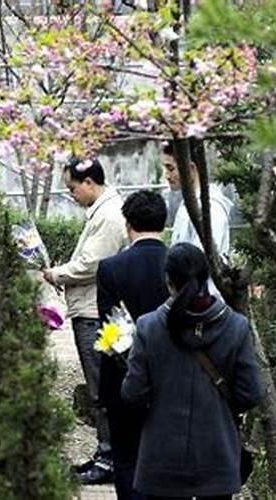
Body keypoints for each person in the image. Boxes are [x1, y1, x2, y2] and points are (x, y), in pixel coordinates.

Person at [121, 243, 263, 500]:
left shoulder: (149, 326)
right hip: (217, 455)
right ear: (205, 277)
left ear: (168, 280)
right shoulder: (236, 327)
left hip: (162, 458)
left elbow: (133, 393)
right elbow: (251, 392)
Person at [43, 157, 128, 484]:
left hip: (94, 312)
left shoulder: (108, 215)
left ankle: (109, 457)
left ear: (90, 182)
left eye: (73, 188)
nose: (72, 194)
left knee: (102, 390)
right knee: (100, 389)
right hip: (90, 309)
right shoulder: (103, 212)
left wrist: (57, 274)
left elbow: (92, 264)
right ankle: (105, 452)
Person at [96, 190, 171, 499]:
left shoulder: (111, 268)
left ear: (128, 223)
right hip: (171, 375)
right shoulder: (177, 262)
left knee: (127, 457)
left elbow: (109, 329)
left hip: (123, 374)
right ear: (164, 223)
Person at [162, 141, 233, 266]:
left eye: (171, 168)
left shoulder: (212, 208)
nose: (167, 176)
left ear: (191, 168)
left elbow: (200, 261)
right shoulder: (188, 204)